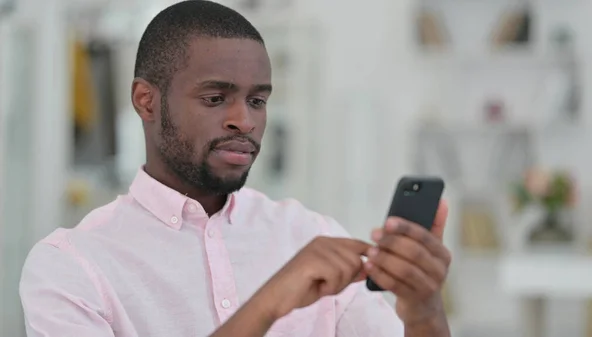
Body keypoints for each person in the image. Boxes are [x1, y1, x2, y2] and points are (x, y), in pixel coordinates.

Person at [19, 1, 453, 336]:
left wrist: (424, 309)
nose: (244, 121)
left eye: (258, 100)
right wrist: (268, 305)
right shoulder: (71, 266)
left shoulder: (313, 235)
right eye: (215, 98)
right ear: (145, 100)